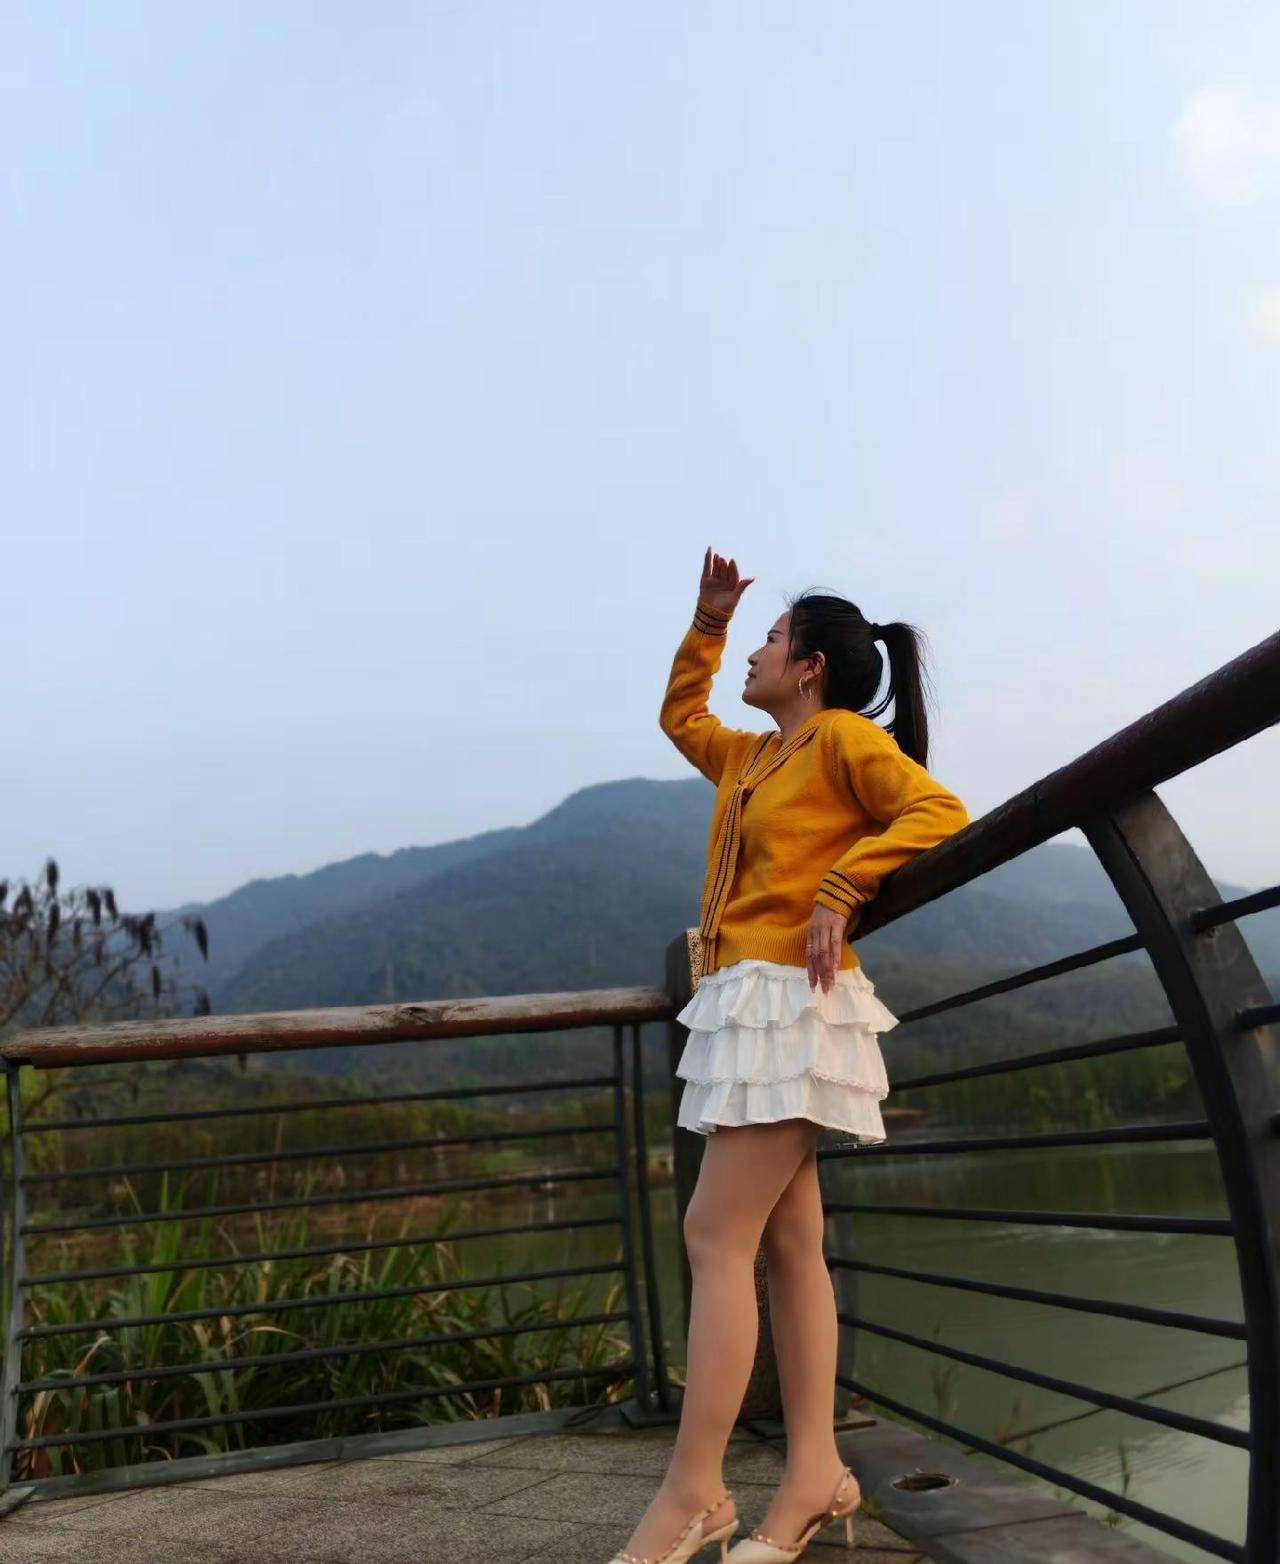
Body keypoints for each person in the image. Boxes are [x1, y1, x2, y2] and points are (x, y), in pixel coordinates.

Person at [607, 549, 971, 1564]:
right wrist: (709, 619)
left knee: (713, 1232)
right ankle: (814, 1470)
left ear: (808, 666)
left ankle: (694, 1492)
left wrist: (841, 887)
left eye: (767, 639)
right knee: (786, 1242)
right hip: (748, 1004)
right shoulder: (750, 757)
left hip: (788, 1004)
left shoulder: (842, 738)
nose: (751, 655)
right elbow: (680, 716)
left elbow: (936, 811)